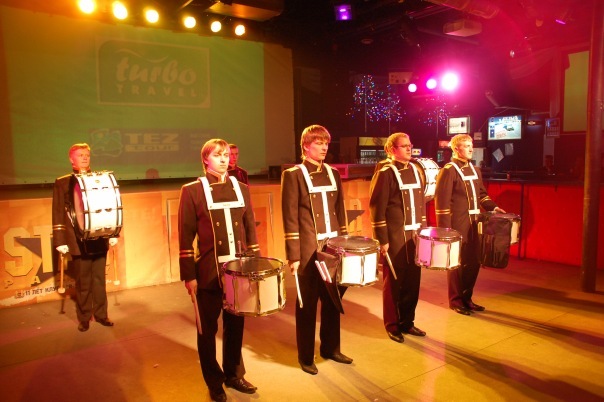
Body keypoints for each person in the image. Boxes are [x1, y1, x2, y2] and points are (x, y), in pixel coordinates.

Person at [178, 139, 259, 402]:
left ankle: (234, 374)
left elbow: (250, 229)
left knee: (235, 326)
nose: (224, 159)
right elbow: (185, 238)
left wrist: (254, 264)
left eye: (226, 155)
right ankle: (214, 382)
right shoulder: (192, 191)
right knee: (207, 331)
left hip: (238, 272)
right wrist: (189, 276)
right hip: (208, 274)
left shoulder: (241, 188)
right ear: (205, 160)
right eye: (217, 155)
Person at [281, 124, 353, 375]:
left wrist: (344, 243)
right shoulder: (294, 174)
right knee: (307, 304)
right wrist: (293, 255)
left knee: (332, 301)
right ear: (305, 146)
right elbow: (290, 216)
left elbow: (339, 210)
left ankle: (331, 348)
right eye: (318, 143)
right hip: (307, 251)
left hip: (332, 248)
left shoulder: (333, 173)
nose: (324, 147)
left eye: (326, 143)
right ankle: (306, 356)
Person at [434, 134, 506, 316]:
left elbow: (482, 195)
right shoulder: (448, 170)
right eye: (466, 145)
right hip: (457, 223)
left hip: (475, 223)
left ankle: (467, 298)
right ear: (456, 149)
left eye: (471, 145)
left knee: (474, 261)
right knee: (457, 263)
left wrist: (493, 207)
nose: (471, 148)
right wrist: (445, 231)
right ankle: (456, 300)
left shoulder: (475, 170)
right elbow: (441, 203)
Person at [52, 143, 118, 332]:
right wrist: (60, 240)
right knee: (83, 282)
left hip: (98, 236)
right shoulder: (63, 182)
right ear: (71, 159)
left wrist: (114, 232)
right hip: (76, 239)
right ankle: (84, 317)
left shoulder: (99, 180)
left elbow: (110, 205)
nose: (84, 157)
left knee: (99, 280)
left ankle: (101, 314)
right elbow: (58, 212)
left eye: (87, 154)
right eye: (80, 155)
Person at [369, 133, 427, 343]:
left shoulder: (416, 170)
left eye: (410, 145)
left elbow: (420, 204)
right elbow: (377, 208)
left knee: (412, 283)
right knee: (393, 285)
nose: (409, 149)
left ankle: (407, 322)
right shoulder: (386, 173)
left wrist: (424, 233)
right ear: (391, 150)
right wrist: (382, 240)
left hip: (415, 237)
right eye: (404, 146)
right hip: (394, 238)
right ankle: (392, 325)